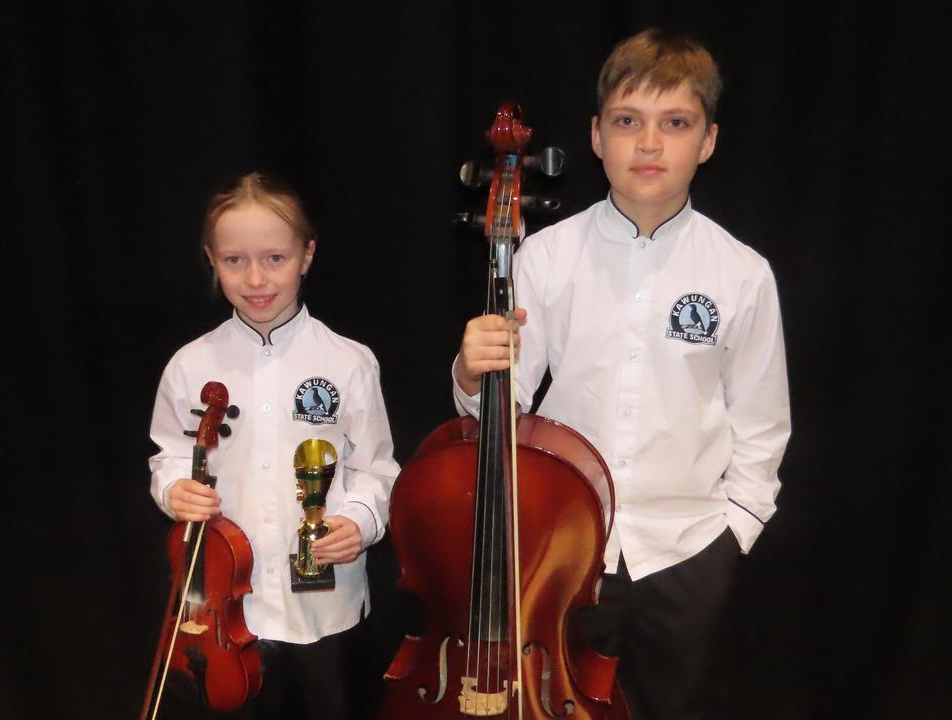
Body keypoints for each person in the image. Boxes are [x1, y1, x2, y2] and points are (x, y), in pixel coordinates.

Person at [453, 29, 791, 720]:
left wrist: (735, 532)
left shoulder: (742, 274)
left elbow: (761, 420)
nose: (648, 145)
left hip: (689, 550)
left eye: (675, 125)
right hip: (569, 553)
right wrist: (469, 370)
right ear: (596, 137)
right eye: (627, 122)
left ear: (708, 141)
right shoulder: (544, 257)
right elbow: (502, 408)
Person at [149, 172, 398, 719]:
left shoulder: (348, 361)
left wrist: (359, 520)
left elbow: (377, 468)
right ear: (211, 259)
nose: (256, 278)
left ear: (307, 256)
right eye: (235, 260)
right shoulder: (191, 365)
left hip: (324, 608)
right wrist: (174, 489)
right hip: (225, 616)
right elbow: (167, 455)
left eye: (275, 258)